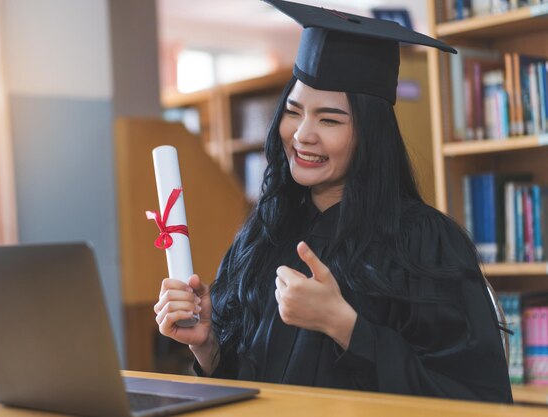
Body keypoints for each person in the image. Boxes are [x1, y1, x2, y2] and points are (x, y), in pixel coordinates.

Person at [153, 0, 513, 403]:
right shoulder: (262, 237)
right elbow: (247, 387)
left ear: (370, 136)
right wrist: (207, 345)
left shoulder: (424, 243)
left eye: (329, 120)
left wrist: (344, 326)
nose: (303, 134)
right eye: (294, 111)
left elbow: (476, 398)